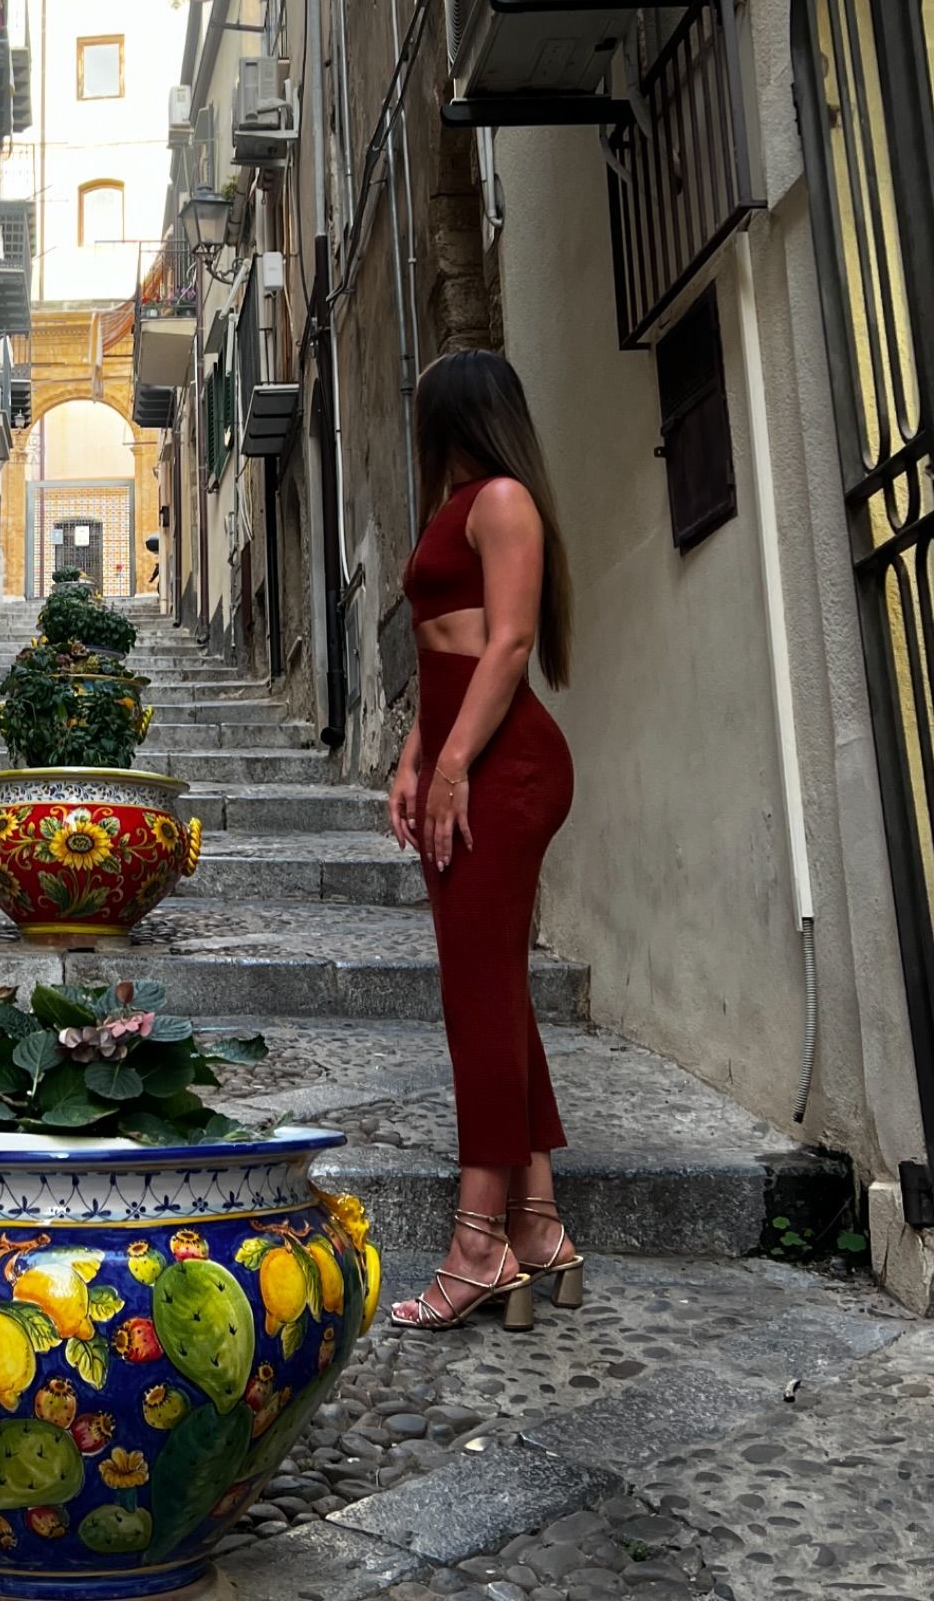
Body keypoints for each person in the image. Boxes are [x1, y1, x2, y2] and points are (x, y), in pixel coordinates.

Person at [389, 348, 582, 1332]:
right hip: (467, 761)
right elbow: (442, 650)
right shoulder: (455, 506)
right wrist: (415, 756)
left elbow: (506, 643)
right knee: (492, 990)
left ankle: (478, 1245)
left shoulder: (503, 500)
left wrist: (455, 764)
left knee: (477, 997)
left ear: (457, 414)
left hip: (507, 771)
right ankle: (537, 1229)